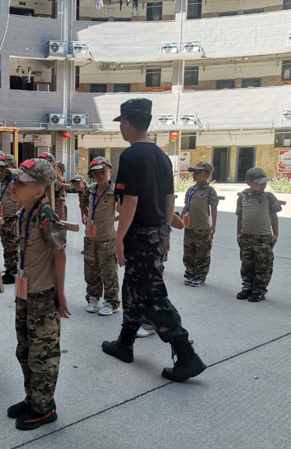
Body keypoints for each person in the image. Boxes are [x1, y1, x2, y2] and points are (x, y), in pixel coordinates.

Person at [101, 98, 206, 383]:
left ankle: (186, 354)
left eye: (121, 123)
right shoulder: (161, 156)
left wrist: (118, 238)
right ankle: (125, 342)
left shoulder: (130, 156)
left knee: (151, 294)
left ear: (126, 123)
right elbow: (170, 199)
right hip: (156, 232)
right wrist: (165, 231)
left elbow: (130, 202)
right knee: (133, 288)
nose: (121, 128)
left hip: (139, 235)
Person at [6, 158, 70, 431]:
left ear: (39, 189)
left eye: (21, 183)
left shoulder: (46, 215)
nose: (14, 186)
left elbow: (60, 254)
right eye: (14, 181)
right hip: (25, 293)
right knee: (25, 350)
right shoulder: (25, 212)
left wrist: (61, 294)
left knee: (42, 356)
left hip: (42, 296)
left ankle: (45, 408)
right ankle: (33, 398)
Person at [81, 157, 120, 316]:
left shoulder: (115, 191)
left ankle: (111, 303)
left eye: (103, 172)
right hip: (90, 239)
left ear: (110, 171)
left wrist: (114, 220)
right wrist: (86, 216)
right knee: (90, 271)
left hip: (107, 239)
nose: (99, 176)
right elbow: (82, 203)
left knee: (109, 272)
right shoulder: (90, 190)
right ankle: (92, 298)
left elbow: (125, 210)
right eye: (95, 173)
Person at [236, 167, 281, 302]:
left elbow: (273, 216)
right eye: (259, 182)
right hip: (246, 236)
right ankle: (247, 287)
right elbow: (240, 216)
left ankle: (259, 290)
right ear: (248, 183)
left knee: (263, 265)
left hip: (263, 237)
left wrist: (276, 233)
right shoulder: (242, 197)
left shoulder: (269, 197)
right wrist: (238, 233)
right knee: (246, 264)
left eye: (264, 182)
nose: (263, 185)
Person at [180, 162, 219, 287]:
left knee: (202, 254)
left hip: (202, 228)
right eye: (194, 172)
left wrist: (213, 224)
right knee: (189, 253)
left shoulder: (209, 191)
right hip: (189, 227)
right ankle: (190, 274)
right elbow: (186, 206)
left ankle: (200, 277)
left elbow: (214, 208)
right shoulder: (191, 190)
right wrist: (181, 218)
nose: (194, 174)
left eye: (198, 172)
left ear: (207, 175)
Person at [0, 154, 19, 284]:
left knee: (12, 245)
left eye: (5, 167)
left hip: (12, 217)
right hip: (3, 217)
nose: (2, 169)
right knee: (6, 245)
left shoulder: (17, 179)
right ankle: (9, 268)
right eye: (0, 167)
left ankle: (13, 271)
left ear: (13, 166)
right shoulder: (3, 180)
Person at [38, 152, 66, 219]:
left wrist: (60, 222)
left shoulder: (55, 183)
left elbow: (60, 206)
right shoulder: (32, 179)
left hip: (49, 216)